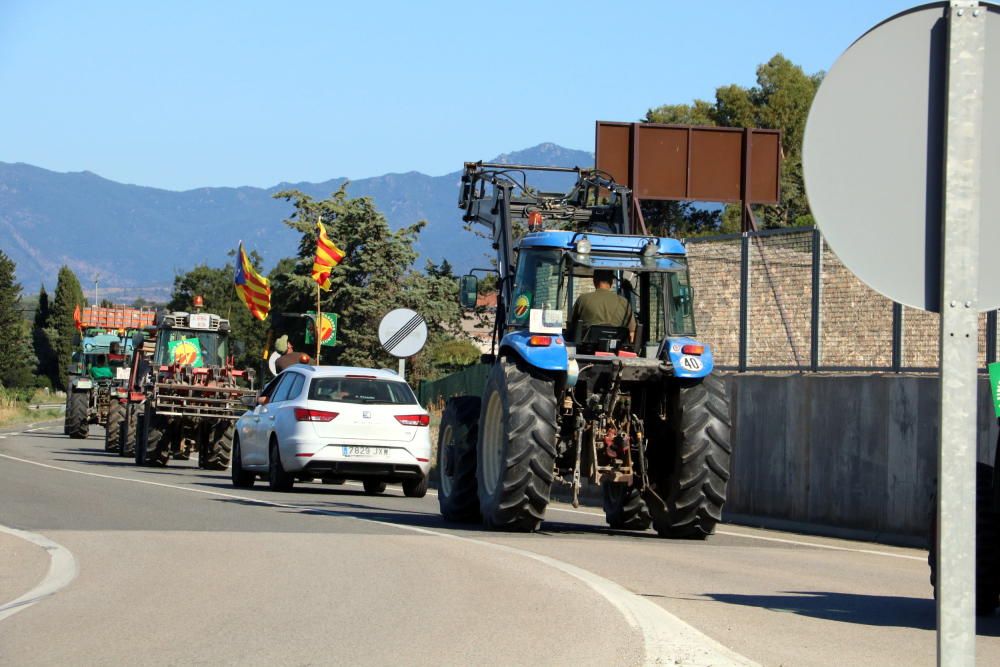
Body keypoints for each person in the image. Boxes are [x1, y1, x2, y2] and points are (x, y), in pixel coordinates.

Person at [568, 269, 636, 343]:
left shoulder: (583, 299)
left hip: (586, 349)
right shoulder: (624, 302)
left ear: (594, 281)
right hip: (616, 349)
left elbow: (571, 326)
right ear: (611, 282)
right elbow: (632, 333)